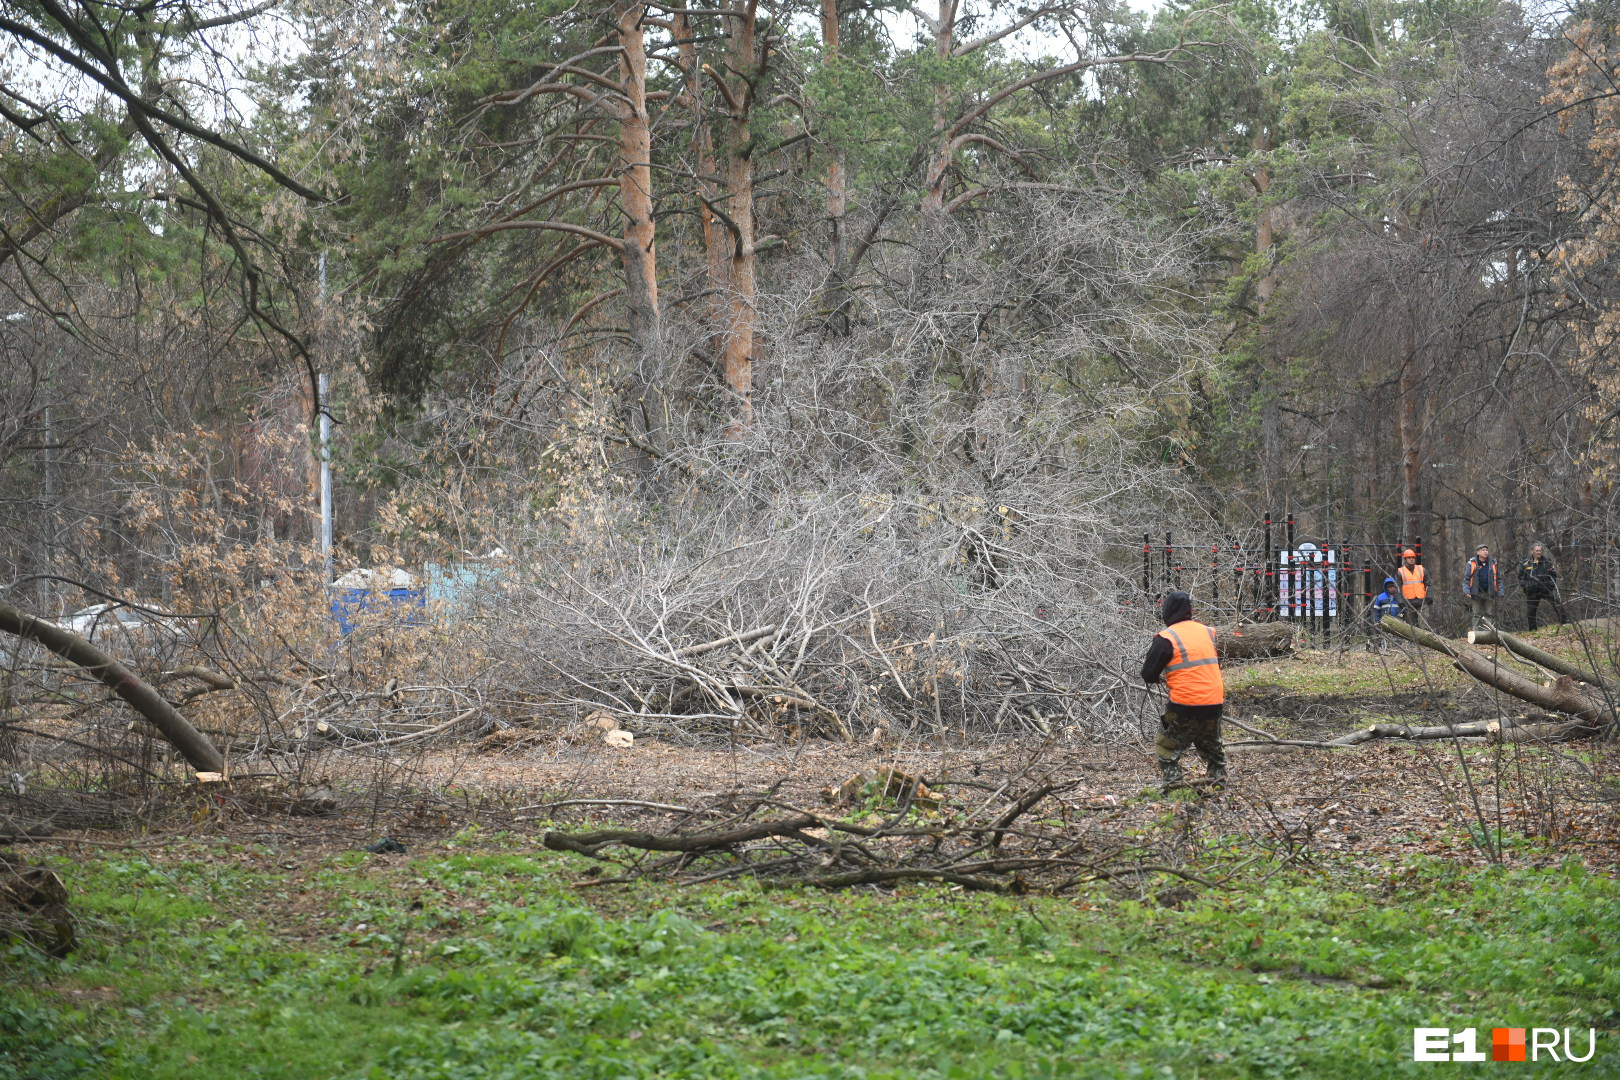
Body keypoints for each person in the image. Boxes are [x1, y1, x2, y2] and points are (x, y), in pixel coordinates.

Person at [1141, 591, 1226, 788]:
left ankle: (1174, 786)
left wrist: (1162, 678)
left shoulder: (1166, 637)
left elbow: (1148, 674)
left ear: (1167, 610)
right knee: (1213, 747)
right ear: (1190, 610)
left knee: (1166, 747)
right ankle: (1218, 783)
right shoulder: (1208, 632)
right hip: (1214, 701)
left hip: (1184, 704)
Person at [1518, 542, 1564, 631]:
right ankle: (1532, 630)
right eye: (1537, 551)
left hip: (1546, 589)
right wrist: (1527, 587)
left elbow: (1553, 575)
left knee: (1558, 604)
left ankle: (1565, 623)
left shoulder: (1547, 562)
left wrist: (1550, 585)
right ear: (1532, 551)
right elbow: (1521, 577)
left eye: (1540, 551)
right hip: (1532, 591)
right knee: (1531, 611)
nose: (1538, 552)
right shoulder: (1526, 563)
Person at [1463, 544, 1503, 632]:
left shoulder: (1493, 563)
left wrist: (1500, 592)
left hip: (1489, 592)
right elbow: (1466, 579)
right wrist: (1466, 591)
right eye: (1483, 550)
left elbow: (1499, 579)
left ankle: (1488, 633)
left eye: (1486, 550)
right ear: (1478, 552)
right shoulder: (1471, 563)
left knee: (1488, 613)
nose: (1485, 552)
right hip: (1475, 592)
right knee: (1476, 614)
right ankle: (1476, 634)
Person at [1396, 549, 1428, 620]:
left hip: (1422, 602)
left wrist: (1429, 597)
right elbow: (1398, 589)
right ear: (1405, 559)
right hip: (1408, 603)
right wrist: (1400, 602)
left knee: (1424, 626)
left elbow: (1429, 584)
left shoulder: (1422, 569)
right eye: (1409, 558)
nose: (1411, 559)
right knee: (1411, 627)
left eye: (1413, 558)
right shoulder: (1400, 572)